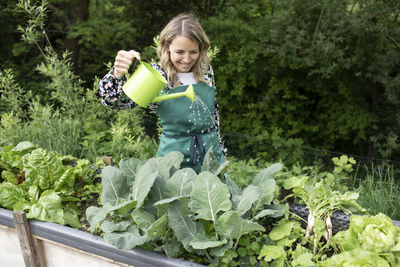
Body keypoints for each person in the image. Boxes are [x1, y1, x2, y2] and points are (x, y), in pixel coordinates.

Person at [99, 13, 226, 173]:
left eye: (193, 52)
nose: (187, 59)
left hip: (211, 158)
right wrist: (117, 73)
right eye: (180, 52)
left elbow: (214, 117)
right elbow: (116, 102)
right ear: (167, 47)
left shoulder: (205, 71)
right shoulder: (157, 75)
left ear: (201, 49)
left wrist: (221, 154)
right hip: (173, 161)